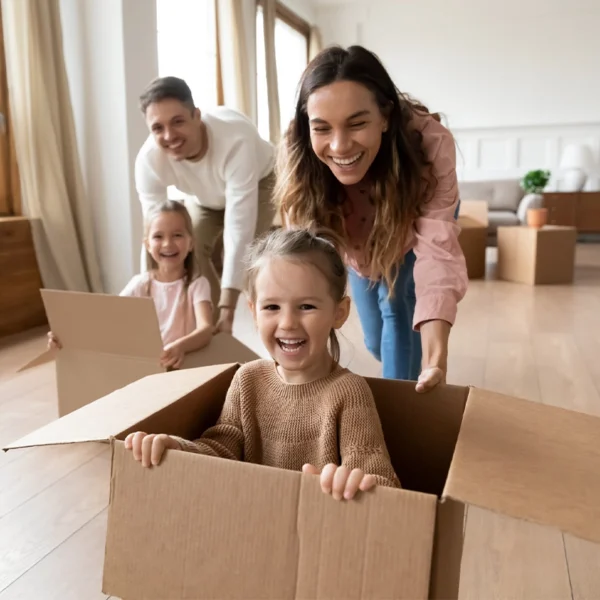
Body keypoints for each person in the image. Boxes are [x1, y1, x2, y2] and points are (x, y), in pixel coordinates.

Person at [124, 227, 401, 501]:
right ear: (254, 312)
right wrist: (178, 449)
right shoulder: (247, 380)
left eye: (306, 306)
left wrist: (354, 484)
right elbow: (222, 450)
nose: (288, 323)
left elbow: (382, 480)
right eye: (272, 307)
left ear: (338, 314)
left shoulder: (349, 393)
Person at [274, 45, 468, 391]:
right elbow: (299, 255)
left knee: (396, 310)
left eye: (357, 124)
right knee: (377, 342)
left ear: (386, 117)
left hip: (411, 230)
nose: (340, 146)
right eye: (322, 128)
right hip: (355, 243)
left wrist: (435, 360)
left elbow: (437, 255)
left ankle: (402, 410)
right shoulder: (299, 149)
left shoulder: (430, 145)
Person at [135, 75, 276, 334]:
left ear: (196, 116)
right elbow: (153, 235)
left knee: (248, 255)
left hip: (260, 180)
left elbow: (239, 226)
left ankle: (246, 319)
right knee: (189, 245)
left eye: (178, 121)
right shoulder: (148, 161)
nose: (169, 136)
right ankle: (206, 327)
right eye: (157, 128)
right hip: (204, 196)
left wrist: (228, 307)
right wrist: (148, 298)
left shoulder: (236, 140)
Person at [48, 201, 213, 370]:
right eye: (158, 236)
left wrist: (180, 347)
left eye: (177, 235)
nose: (167, 244)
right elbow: (107, 317)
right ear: (148, 245)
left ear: (191, 243)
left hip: (183, 369)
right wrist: (66, 336)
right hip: (146, 367)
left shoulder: (197, 284)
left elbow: (206, 329)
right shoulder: (140, 284)